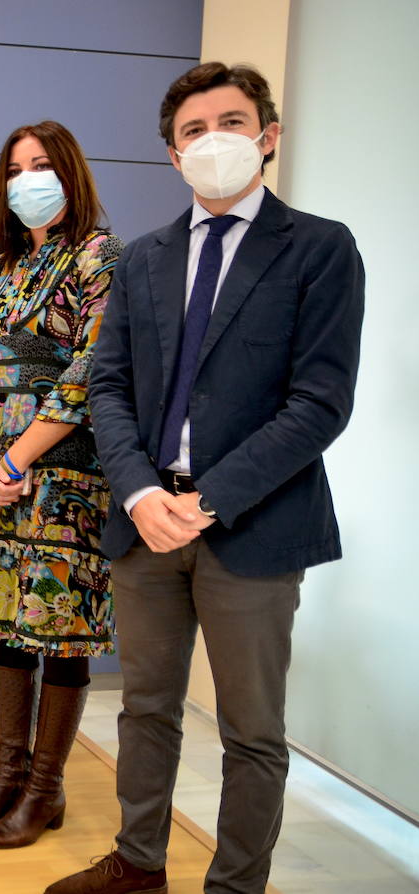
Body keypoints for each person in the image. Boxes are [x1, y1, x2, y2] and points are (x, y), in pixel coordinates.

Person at [47, 63, 365, 894]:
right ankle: (138, 864)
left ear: (268, 135)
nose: (214, 139)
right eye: (195, 130)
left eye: (233, 121)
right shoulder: (144, 258)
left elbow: (320, 403)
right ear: (171, 153)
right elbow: (106, 387)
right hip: (146, 524)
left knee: (251, 731)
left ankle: (234, 887)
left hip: (253, 526)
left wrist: (207, 500)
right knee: (145, 709)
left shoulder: (320, 248)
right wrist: (145, 494)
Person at [0, 121, 122, 848]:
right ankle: (7, 779)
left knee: (60, 629)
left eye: (41, 165)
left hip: (66, 474)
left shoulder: (100, 255)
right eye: (14, 169)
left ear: (70, 172)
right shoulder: (1, 266)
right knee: (1, 622)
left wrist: (17, 458)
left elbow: (88, 371)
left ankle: (45, 789)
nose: (26, 179)